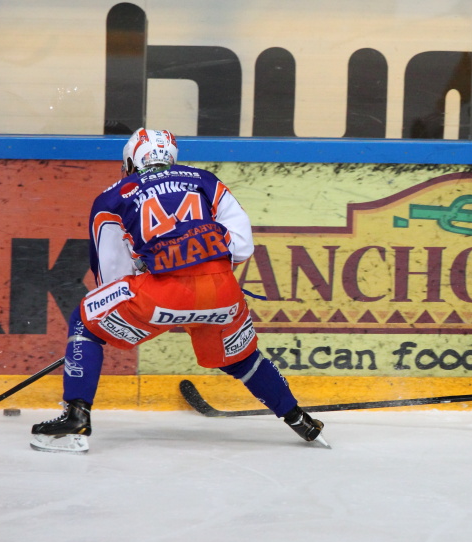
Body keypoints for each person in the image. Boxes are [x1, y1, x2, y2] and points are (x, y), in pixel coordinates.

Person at [31, 128, 328, 453]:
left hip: (161, 293)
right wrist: (200, 251)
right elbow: (242, 247)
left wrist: (155, 267)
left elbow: (113, 279)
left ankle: (75, 417)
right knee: (241, 359)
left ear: (131, 161)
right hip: (221, 290)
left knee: (86, 322)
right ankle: (299, 419)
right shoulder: (205, 180)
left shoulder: (112, 197)